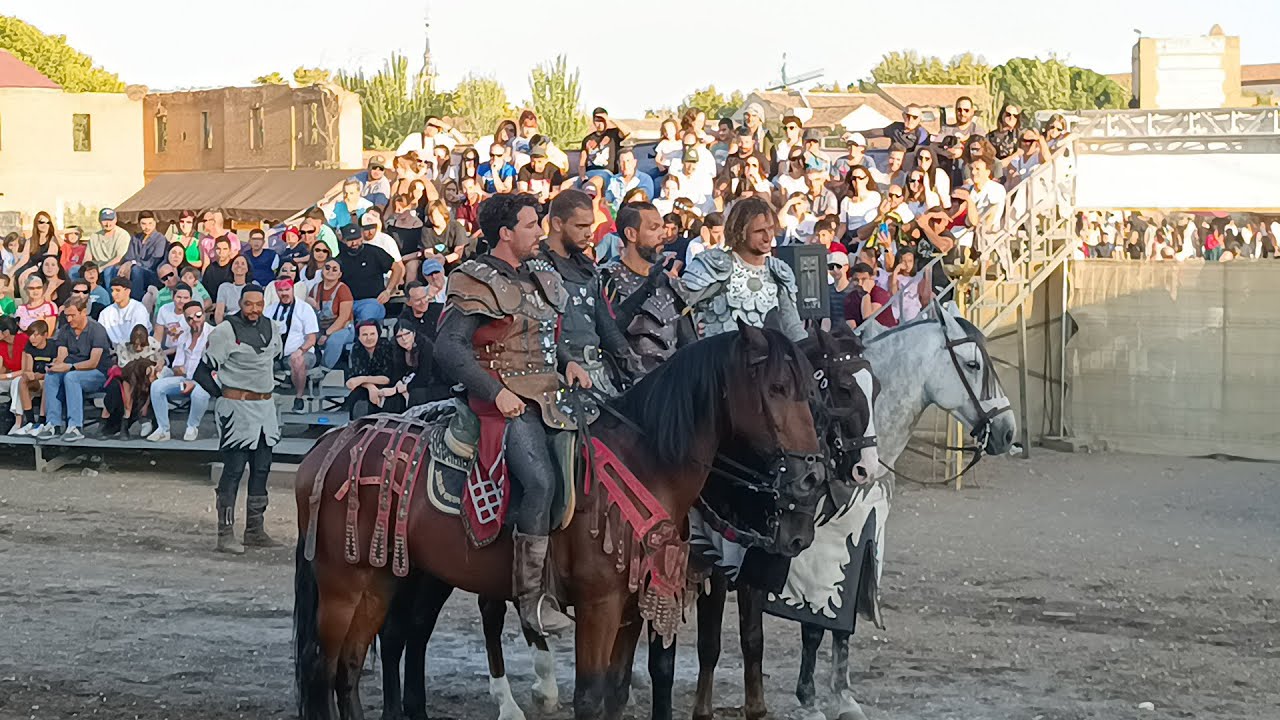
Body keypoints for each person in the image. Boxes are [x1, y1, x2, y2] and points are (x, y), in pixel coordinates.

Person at [433, 193, 587, 638]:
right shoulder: (472, 278)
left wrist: (569, 360)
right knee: (540, 481)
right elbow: (449, 347)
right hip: (500, 398)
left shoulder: (540, 273)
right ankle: (531, 599)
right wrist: (495, 392)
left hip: (548, 392)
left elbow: (541, 339)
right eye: (531, 225)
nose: (540, 231)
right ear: (505, 233)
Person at [202, 284, 283, 554]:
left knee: (262, 468)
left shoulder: (272, 328)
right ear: (240, 303)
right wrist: (223, 395)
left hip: (265, 408)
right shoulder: (225, 331)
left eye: (259, 304)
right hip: (236, 408)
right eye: (249, 304)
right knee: (234, 469)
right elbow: (201, 372)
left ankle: (254, 530)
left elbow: (277, 362)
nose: (254, 309)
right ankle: (225, 534)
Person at [539, 190, 641, 394]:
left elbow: (607, 327)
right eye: (581, 226)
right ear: (558, 224)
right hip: (555, 376)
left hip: (597, 372)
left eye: (590, 226)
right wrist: (565, 361)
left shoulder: (588, 268)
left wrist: (636, 371)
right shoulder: (535, 268)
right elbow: (538, 332)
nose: (589, 234)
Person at [673, 195, 806, 342]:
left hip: (768, 362)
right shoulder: (712, 265)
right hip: (718, 361)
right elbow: (674, 310)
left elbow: (793, 328)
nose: (768, 237)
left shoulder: (779, 272)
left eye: (770, 229)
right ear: (739, 231)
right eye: (759, 231)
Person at [601, 202, 692, 373]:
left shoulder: (670, 283)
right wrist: (645, 290)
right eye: (653, 228)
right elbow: (608, 334)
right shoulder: (607, 279)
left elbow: (688, 342)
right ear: (631, 234)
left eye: (662, 227)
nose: (663, 235)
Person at [34, 296, 112, 441]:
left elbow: (93, 362)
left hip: (98, 373)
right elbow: (62, 354)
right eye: (67, 316)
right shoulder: (65, 330)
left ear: (83, 312)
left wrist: (69, 367)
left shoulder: (97, 330)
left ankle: (75, 426)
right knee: (52, 376)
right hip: (74, 370)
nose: (69, 319)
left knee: (71, 377)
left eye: (72, 315)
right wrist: (55, 365)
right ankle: (53, 423)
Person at [147, 300, 212, 442]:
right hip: (185, 378)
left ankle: (192, 426)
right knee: (157, 386)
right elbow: (177, 364)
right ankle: (163, 429)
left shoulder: (213, 334)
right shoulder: (184, 335)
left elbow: (215, 367)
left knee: (199, 393)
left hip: (206, 380)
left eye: (198, 315)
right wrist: (177, 369)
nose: (194, 320)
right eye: (189, 318)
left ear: (204, 314)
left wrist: (194, 382)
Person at [266, 279, 318, 412]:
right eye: (280, 290)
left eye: (287, 289)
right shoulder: (270, 310)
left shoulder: (304, 308)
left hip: (303, 352)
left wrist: (300, 350)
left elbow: (311, 339)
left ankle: (299, 398)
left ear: (292, 289)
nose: (284, 293)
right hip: (277, 353)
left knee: (298, 360)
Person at [337, 223, 404, 323]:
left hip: (373, 301)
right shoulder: (340, 258)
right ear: (343, 240)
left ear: (362, 237)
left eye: (357, 239)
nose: (354, 243)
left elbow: (397, 268)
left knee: (365, 320)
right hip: (347, 303)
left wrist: (388, 291)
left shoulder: (374, 252)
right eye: (350, 240)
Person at [111, 323, 163, 438]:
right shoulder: (123, 347)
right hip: (130, 375)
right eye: (136, 345)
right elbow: (123, 366)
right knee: (128, 380)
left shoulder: (154, 345)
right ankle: (127, 416)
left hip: (147, 375)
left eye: (142, 345)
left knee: (151, 376)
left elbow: (160, 361)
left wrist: (154, 367)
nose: (138, 348)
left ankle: (145, 414)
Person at [6, 318, 53, 435]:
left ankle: (42, 420)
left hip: (49, 379)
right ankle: (29, 420)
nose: (32, 338)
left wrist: (40, 375)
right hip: (36, 380)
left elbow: (55, 368)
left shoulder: (54, 347)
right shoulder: (29, 347)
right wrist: (30, 374)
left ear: (45, 335)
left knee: (49, 379)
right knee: (22, 380)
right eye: (30, 335)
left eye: (36, 335)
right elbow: (27, 369)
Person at [389, 319, 449, 407]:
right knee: (394, 398)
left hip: (438, 383)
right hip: (416, 382)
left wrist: (406, 387)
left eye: (407, 334)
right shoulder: (399, 350)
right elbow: (399, 372)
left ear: (414, 333)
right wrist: (398, 383)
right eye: (399, 336)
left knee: (416, 395)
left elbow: (425, 376)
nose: (404, 339)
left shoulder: (426, 347)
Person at [308, 257, 355, 369]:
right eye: (327, 268)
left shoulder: (343, 289)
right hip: (320, 327)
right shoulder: (315, 288)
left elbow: (343, 317)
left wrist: (327, 334)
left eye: (335, 269)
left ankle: (324, 369)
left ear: (339, 274)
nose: (330, 271)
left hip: (343, 329)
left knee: (334, 341)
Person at [343, 321, 395, 420]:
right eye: (364, 334)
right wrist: (370, 386)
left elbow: (387, 378)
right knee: (357, 395)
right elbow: (352, 380)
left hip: (387, 387)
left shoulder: (386, 346)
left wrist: (363, 379)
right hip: (365, 388)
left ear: (378, 334)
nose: (369, 338)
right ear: (359, 337)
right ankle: (356, 428)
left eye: (372, 334)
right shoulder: (357, 348)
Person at [120, 210, 168, 299]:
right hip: (135, 270)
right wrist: (128, 263)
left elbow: (153, 262)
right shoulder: (136, 238)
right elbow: (129, 257)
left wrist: (133, 263)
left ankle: (136, 301)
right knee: (113, 270)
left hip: (152, 273)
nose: (147, 227)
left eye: (150, 223)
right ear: (139, 224)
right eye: (144, 224)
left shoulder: (160, 239)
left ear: (155, 223)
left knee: (136, 270)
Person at [517, 138, 569, 211]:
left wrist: (548, 196)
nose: (536, 165)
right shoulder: (524, 170)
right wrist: (535, 198)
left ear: (546, 160)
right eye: (533, 162)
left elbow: (556, 191)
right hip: (529, 204)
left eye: (539, 161)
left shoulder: (554, 170)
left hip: (548, 203)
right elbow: (522, 191)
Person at [99, 276, 152, 346]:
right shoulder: (105, 313)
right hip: (112, 352)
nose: (113, 294)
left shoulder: (139, 308)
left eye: (117, 290)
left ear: (128, 291)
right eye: (112, 290)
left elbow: (139, 335)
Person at [579, 107, 627, 179]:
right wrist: (582, 178)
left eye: (602, 120)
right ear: (593, 121)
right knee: (565, 185)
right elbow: (582, 163)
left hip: (606, 173)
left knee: (596, 182)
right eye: (597, 120)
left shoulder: (614, 134)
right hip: (589, 174)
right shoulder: (587, 139)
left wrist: (610, 119)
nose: (600, 123)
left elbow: (628, 132)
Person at [844, 261, 894, 328]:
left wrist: (866, 293)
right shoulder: (851, 298)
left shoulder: (879, 293)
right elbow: (851, 323)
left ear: (872, 278)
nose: (860, 283)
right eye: (856, 280)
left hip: (885, 334)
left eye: (864, 279)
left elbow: (867, 317)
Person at [88, 208, 131, 284]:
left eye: (111, 220)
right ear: (99, 221)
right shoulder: (94, 236)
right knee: (74, 270)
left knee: (109, 270)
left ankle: (111, 294)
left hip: (115, 266)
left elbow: (118, 259)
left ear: (115, 220)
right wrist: (86, 269)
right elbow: (87, 257)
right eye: (105, 220)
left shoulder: (123, 235)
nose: (108, 224)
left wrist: (101, 268)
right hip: (97, 266)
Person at [153, 282, 192, 353]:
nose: (182, 301)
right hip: (167, 348)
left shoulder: (194, 312)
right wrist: (156, 354)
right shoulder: (164, 309)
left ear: (190, 299)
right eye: (179, 297)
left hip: (187, 351)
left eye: (185, 298)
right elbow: (158, 335)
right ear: (173, 297)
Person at [215, 255, 252, 324]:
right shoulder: (224, 287)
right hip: (228, 322)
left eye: (243, 264)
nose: (239, 266)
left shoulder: (251, 288)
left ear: (247, 269)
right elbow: (219, 312)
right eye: (236, 263)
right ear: (231, 267)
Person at [202, 236, 239, 301]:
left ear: (230, 251)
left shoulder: (235, 268)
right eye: (218, 249)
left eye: (225, 249)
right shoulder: (209, 269)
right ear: (214, 250)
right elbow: (205, 291)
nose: (221, 252)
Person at [826, 250, 852, 330]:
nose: (835, 270)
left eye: (838, 266)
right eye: (831, 267)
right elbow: (826, 318)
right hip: (832, 336)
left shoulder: (854, 291)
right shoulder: (827, 290)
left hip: (849, 336)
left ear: (846, 267)